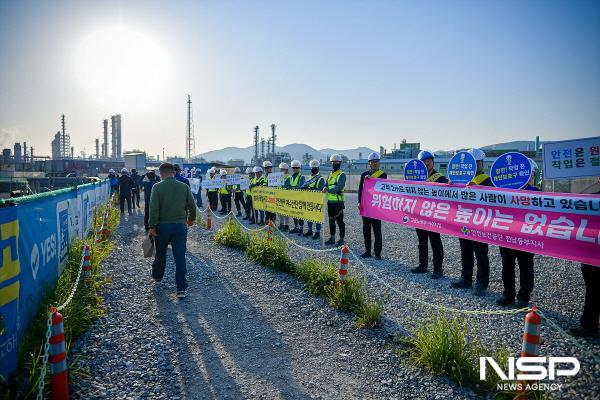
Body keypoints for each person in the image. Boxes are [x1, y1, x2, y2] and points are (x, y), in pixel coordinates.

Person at [496, 159, 540, 308]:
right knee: (507, 266)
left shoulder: (537, 193)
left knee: (526, 267)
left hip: (526, 236)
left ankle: (523, 297)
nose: (531, 176)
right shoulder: (503, 190)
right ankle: (508, 294)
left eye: (531, 174)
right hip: (506, 235)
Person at [148, 163, 196, 299]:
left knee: (161, 252)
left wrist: (152, 226)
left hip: (162, 227)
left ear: (161, 174)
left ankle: (157, 276)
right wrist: (191, 219)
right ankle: (181, 289)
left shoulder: (157, 187)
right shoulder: (184, 186)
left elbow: (153, 209)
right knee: (180, 256)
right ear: (173, 173)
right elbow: (192, 206)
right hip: (180, 226)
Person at [451, 148, 493, 296]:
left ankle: (481, 283)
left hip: (479, 222)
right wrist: (451, 186)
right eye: (472, 163)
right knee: (465, 250)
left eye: (477, 163)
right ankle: (466, 278)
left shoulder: (489, 181)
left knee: (481, 253)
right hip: (464, 220)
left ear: (482, 164)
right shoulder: (460, 181)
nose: (475, 166)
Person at [569, 177, 600, 338]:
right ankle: (589, 324)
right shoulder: (590, 199)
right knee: (593, 289)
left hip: (592, 254)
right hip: (592, 255)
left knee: (593, 289)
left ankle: (589, 324)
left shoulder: (590, 200)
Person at [411, 150, 448, 277]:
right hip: (419, 214)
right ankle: (423, 265)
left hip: (433, 215)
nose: (427, 163)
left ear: (433, 162)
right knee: (421, 241)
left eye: (429, 160)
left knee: (435, 241)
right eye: (424, 161)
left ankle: (438, 269)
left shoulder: (441, 178)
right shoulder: (415, 178)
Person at [357, 152, 387, 260]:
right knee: (366, 229)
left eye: (376, 161)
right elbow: (360, 189)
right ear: (369, 163)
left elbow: (382, 188)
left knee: (377, 230)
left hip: (376, 206)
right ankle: (367, 251)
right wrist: (359, 202)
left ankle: (377, 252)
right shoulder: (364, 175)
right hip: (365, 205)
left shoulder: (383, 174)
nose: (375, 163)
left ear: (379, 163)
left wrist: (371, 179)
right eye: (372, 162)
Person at [323, 154, 346, 246]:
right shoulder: (330, 175)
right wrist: (324, 188)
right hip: (330, 202)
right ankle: (332, 238)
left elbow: (339, 187)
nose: (335, 164)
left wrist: (328, 190)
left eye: (336, 162)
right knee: (331, 221)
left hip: (338, 202)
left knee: (340, 221)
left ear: (340, 163)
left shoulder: (342, 175)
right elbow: (326, 185)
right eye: (333, 162)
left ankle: (341, 239)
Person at [301, 159, 325, 239]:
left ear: (318, 169)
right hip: (309, 199)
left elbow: (321, 191)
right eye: (312, 168)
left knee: (317, 217)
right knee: (309, 216)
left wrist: (311, 189)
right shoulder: (309, 178)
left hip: (317, 201)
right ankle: (310, 230)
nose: (314, 169)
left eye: (315, 168)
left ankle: (317, 232)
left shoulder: (320, 178)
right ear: (310, 168)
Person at [288, 160, 305, 234]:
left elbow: (301, 187)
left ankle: (301, 228)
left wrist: (291, 189)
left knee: (300, 214)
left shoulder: (302, 177)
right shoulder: (291, 177)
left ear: (299, 168)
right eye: (294, 168)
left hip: (299, 198)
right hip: (292, 198)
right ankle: (296, 227)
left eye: (296, 168)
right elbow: (289, 185)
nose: (295, 169)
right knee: (294, 213)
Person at [278, 162, 291, 231]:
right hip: (279, 196)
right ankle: (281, 224)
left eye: (283, 169)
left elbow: (287, 186)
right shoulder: (278, 176)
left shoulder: (289, 177)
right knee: (280, 211)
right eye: (281, 169)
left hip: (285, 197)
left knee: (285, 212)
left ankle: (287, 225)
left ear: (286, 170)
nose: (281, 170)